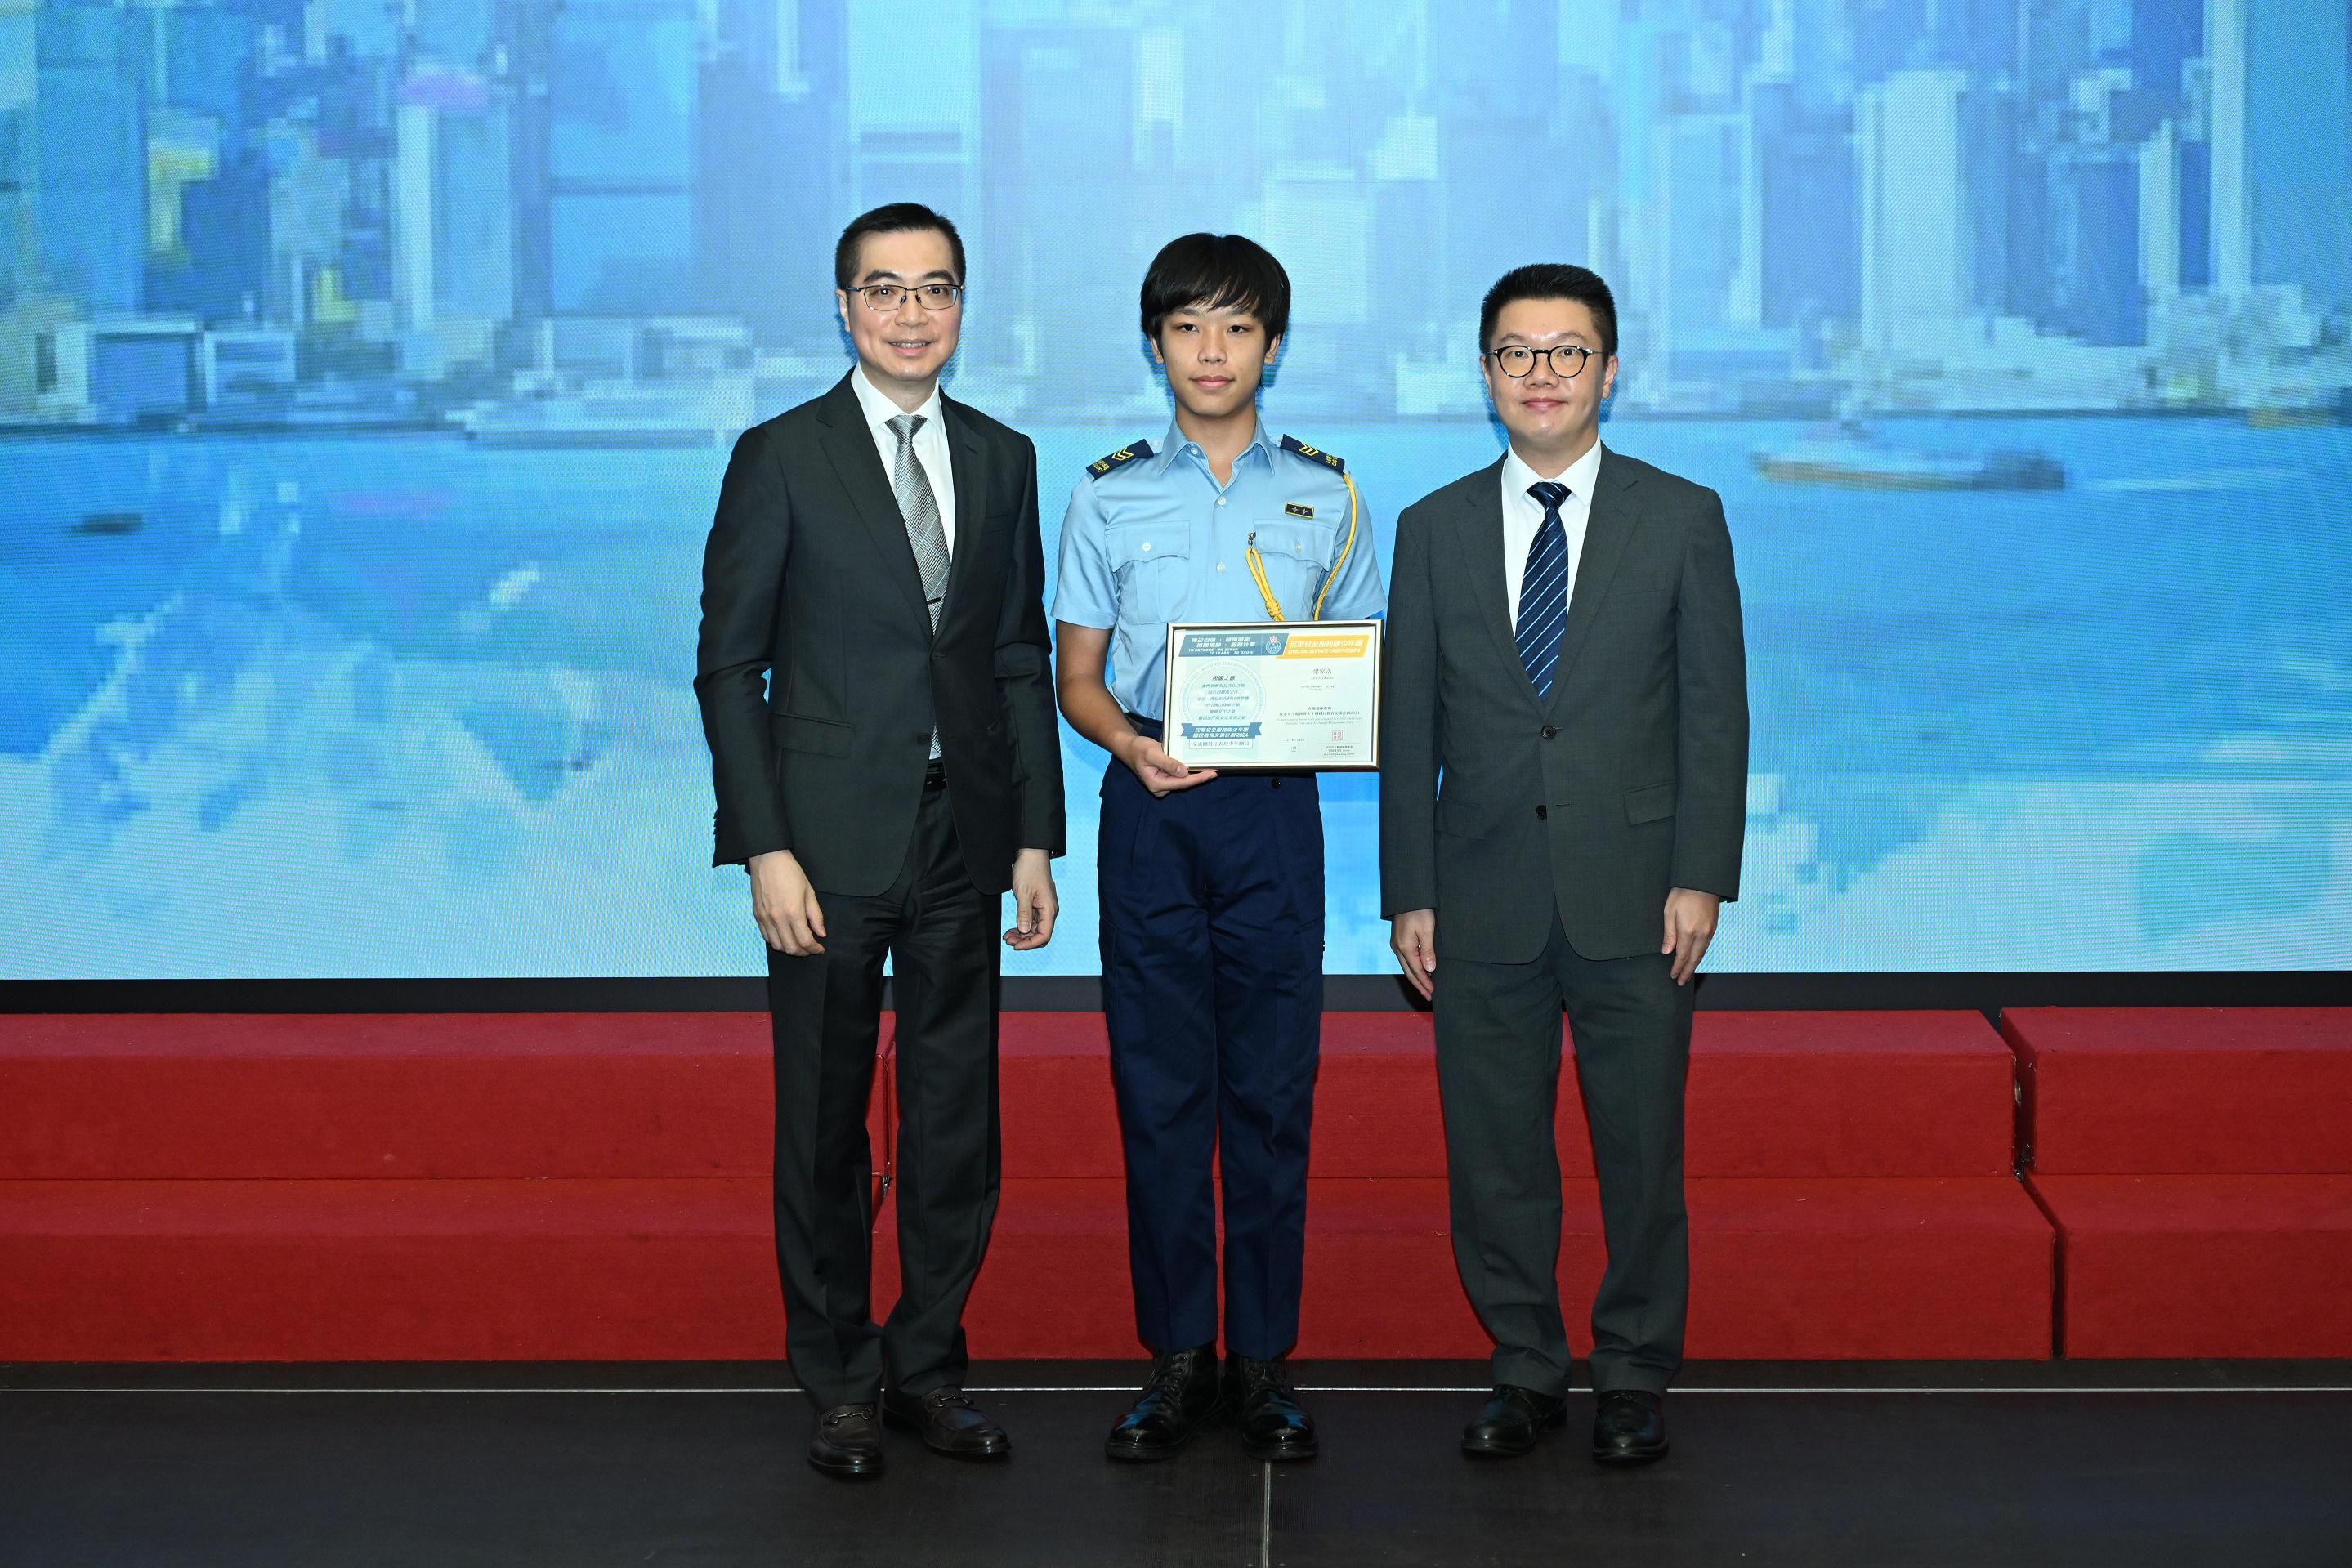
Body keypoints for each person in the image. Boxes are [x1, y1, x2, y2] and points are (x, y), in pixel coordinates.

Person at [695, 202, 1064, 1481]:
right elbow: (728, 666)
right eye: (886, 289)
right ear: (843, 307)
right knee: (825, 1123)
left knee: (957, 1119)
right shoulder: (779, 454)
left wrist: (1032, 841)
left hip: (967, 836)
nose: (913, 313)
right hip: (825, 843)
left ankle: (929, 1367)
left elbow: (1016, 658)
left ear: (964, 307)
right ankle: (840, 1379)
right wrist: (765, 849)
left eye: (937, 289)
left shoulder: (1006, 457)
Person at [1379, 263, 1748, 1466]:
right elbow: (1407, 726)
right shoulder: (1430, 526)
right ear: (1484, 372)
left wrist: (1700, 874)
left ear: (1610, 367)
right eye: (1516, 353)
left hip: (1636, 896)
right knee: (1495, 1156)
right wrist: (1408, 891)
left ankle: (1633, 1370)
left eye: (1566, 352)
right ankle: (1526, 1368)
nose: (1541, 375)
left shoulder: (1679, 514)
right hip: (1477, 894)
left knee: (1639, 1149)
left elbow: (1714, 713)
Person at [1053, 233, 1385, 1463]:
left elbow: (1360, 669)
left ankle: (1263, 1365)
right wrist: (1128, 751)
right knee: (1157, 1094)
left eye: (1236, 328)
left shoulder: (1331, 494)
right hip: (1148, 801)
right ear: (1155, 345)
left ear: (1272, 347)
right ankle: (1175, 1359)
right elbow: (1075, 678)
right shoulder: (1106, 492)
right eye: (1188, 326)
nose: (1211, 350)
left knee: (1269, 1095)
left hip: (1270, 815)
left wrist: (1333, 715)